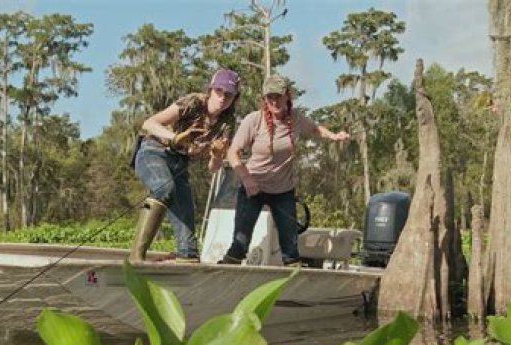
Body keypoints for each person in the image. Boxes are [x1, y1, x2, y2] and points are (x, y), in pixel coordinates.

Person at [219, 74, 349, 266]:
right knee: (240, 242)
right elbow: (232, 152)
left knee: (290, 248)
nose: (274, 101)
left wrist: (334, 136)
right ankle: (228, 269)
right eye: (269, 97)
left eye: (278, 96)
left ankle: (293, 276)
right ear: (264, 99)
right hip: (253, 188)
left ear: (287, 96)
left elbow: (315, 129)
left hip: (282, 191)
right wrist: (247, 179)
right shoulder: (253, 120)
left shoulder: (295, 118)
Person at [129, 69, 241, 263]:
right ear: (210, 90)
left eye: (228, 95)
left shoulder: (227, 123)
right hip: (154, 152)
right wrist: (175, 138)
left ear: (234, 98)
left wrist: (216, 155)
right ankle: (136, 257)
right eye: (219, 91)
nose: (222, 98)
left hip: (180, 165)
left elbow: (213, 168)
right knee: (164, 189)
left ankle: (184, 266)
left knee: (189, 251)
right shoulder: (193, 102)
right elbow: (149, 124)